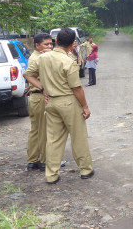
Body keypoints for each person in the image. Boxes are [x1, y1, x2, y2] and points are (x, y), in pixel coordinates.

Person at [23, 28, 94, 184]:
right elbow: (76, 88)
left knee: (54, 140)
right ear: (72, 45)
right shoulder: (68, 62)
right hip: (68, 102)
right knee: (78, 137)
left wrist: (42, 88)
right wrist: (85, 107)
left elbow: (27, 74)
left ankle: (51, 174)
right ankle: (85, 169)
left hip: (51, 103)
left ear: (56, 41)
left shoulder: (43, 58)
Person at [25, 33, 53, 172]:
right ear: (37, 45)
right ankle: (45, 161)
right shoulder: (38, 58)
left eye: (51, 44)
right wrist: (43, 88)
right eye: (46, 44)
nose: (50, 47)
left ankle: (32, 160)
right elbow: (29, 75)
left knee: (35, 130)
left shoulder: (35, 56)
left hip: (34, 97)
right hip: (40, 96)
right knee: (44, 130)